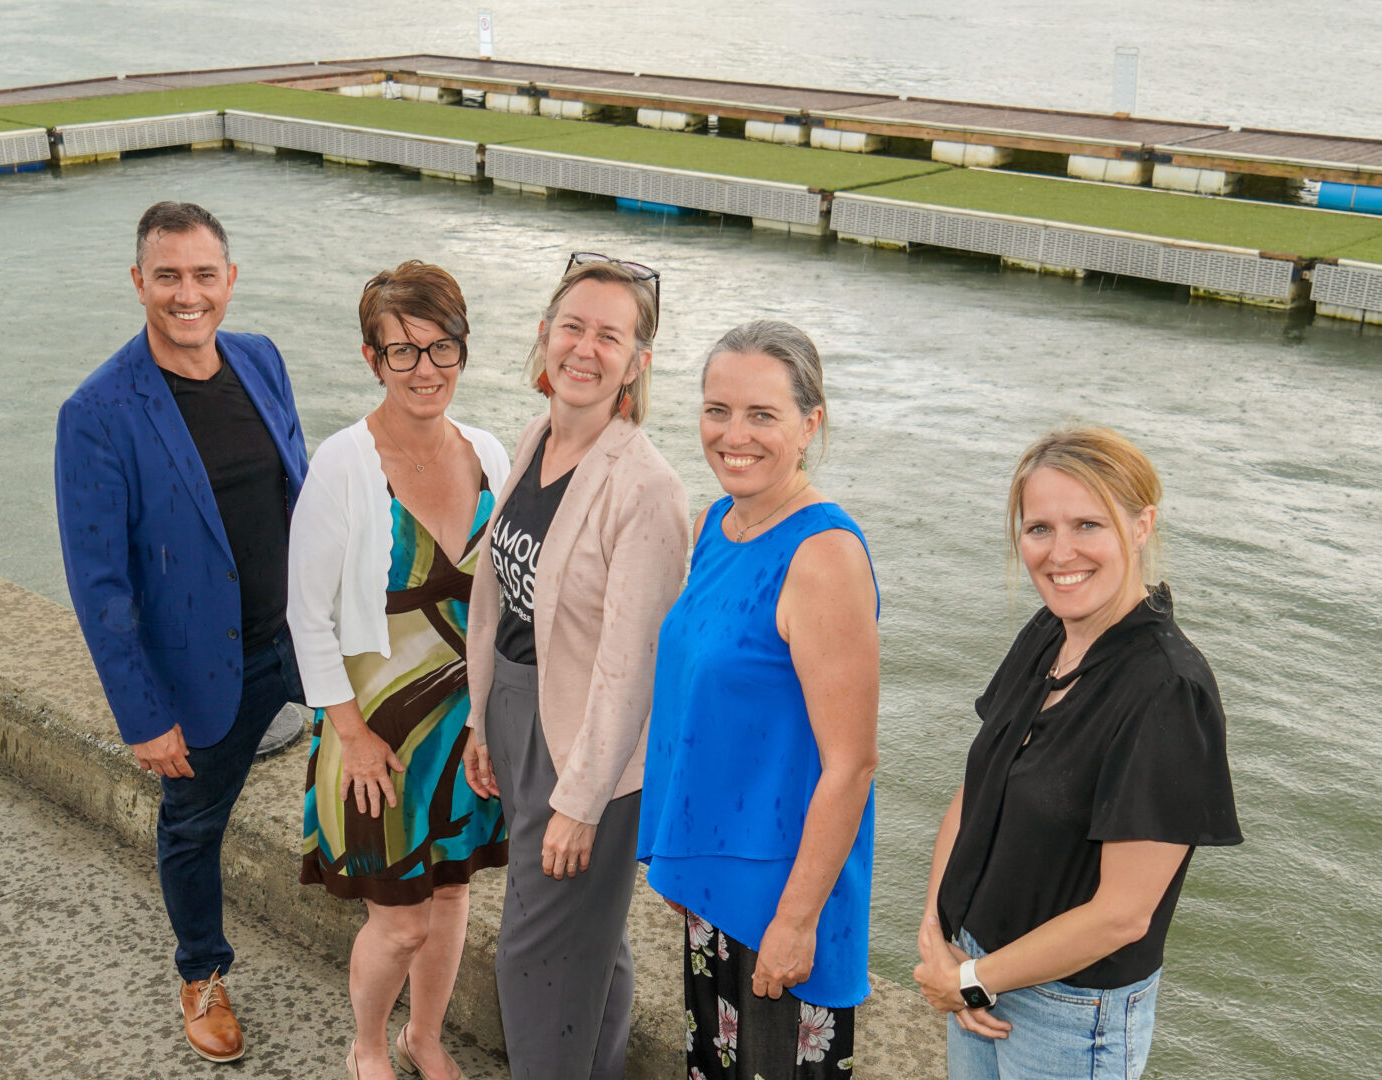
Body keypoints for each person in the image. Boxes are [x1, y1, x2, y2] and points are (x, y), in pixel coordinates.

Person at [54, 201, 309, 1063]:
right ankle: (201, 974)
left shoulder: (262, 359)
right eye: (168, 276)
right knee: (194, 828)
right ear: (138, 284)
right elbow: (101, 585)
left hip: (298, 645)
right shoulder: (96, 412)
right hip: (203, 672)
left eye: (204, 275)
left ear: (229, 281)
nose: (187, 294)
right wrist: (143, 713)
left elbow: (298, 497)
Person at [913, 427, 1242, 1080]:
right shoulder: (1048, 634)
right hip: (977, 969)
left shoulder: (1168, 689)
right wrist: (934, 929)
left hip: (1070, 1014)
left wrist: (975, 979)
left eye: (1088, 524)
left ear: (1141, 525)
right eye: (1039, 529)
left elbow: (1122, 916)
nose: (1060, 553)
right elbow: (976, 789)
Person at [461, 254, 689, 1079]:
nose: (585, 349)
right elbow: (503, 602)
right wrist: (481, 717)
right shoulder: (536, 437)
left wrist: (581, 801)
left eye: (610, 335)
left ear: (637, 364)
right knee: (591, 942)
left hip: (589, 752)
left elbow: (633, 667)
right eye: (572, 326)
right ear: (544, 336)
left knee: (533, 957)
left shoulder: (648, 490)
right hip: (522, 715)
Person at [638, 320, 879, 1079]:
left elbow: (852, 765)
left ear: (810, 424)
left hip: (782, 902)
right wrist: (678, 850)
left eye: (761, 415)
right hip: (716, 888)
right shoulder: (718, 524)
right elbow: (692, 712)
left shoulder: (823, 555)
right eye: (717, 410)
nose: (732, 435)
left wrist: (797, 920)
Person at [288, 261, 511, 1080]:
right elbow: (306, 617)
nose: (426, 370)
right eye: (403, 352)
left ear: (462, 348)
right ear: (371, 359)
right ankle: (369, 1045)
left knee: (451, 899)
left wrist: (492, 724)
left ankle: (425, 1038)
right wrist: (349, 736)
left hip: (463, 734)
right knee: (400, 923)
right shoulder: (344, 465)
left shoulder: (490, 451)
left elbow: (503, 606)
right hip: (374, 736)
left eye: (442, 347)